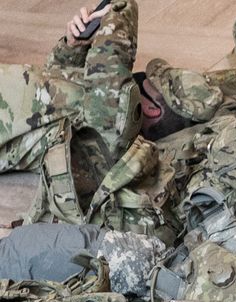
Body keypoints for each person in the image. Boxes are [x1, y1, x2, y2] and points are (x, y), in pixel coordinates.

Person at [0, 0, 141, 176]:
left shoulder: (109, 126)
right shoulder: (88, 108)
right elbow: (48, 88)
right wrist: (76, 46)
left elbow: (107, 109)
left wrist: (118, 15)